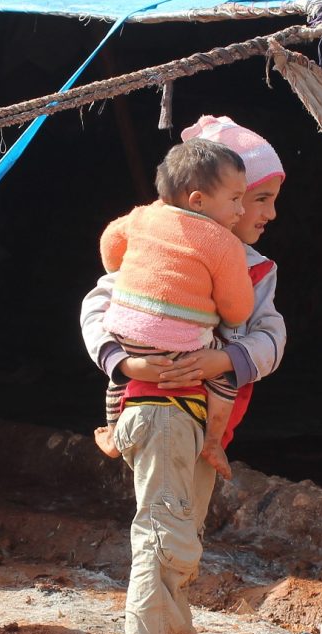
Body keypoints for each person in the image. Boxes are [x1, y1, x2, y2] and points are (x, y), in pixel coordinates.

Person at [80, 116, 286, 634]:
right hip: (163, 410)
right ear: (215, 199)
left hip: (197, 419)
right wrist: (125, 362)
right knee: (163, 540)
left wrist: (224, 359)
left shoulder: (254, 266)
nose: (269, 213)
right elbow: (99, 303)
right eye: (260, 200)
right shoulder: (161, 240)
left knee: (181, 543)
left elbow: (270, 332)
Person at [95, 139, 253, 482]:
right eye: (236, 199)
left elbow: (110, 244)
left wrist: (123, 270)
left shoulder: (143, 216)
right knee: (226, 373)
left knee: (118, 377)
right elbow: (237, 309)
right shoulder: (223, 242)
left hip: (126, 336)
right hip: (183, 349)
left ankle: (110, 429)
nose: (241, 210)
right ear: (197, 200)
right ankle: (213, 441)